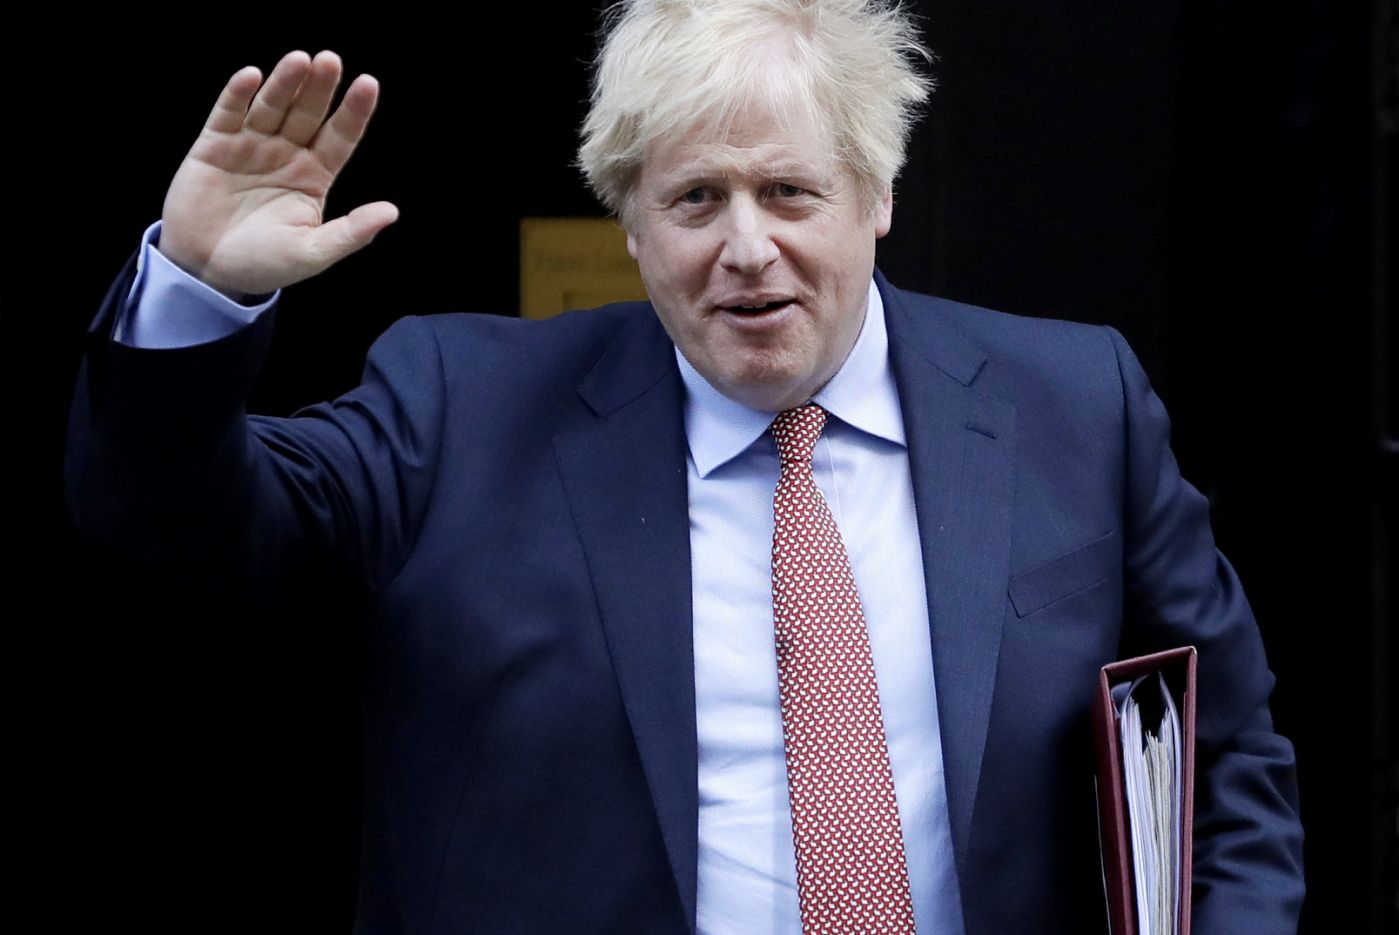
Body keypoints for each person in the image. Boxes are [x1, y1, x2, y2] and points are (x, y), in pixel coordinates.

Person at [65, 1, 1305, 932]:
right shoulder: (462, 405)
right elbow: (183, 521)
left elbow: (1225, 756)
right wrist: (200, 288)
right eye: (696, 199)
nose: (745, 248)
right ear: (631, 221)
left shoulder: (1073, 404)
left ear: (876, 194)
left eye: (789, 190)